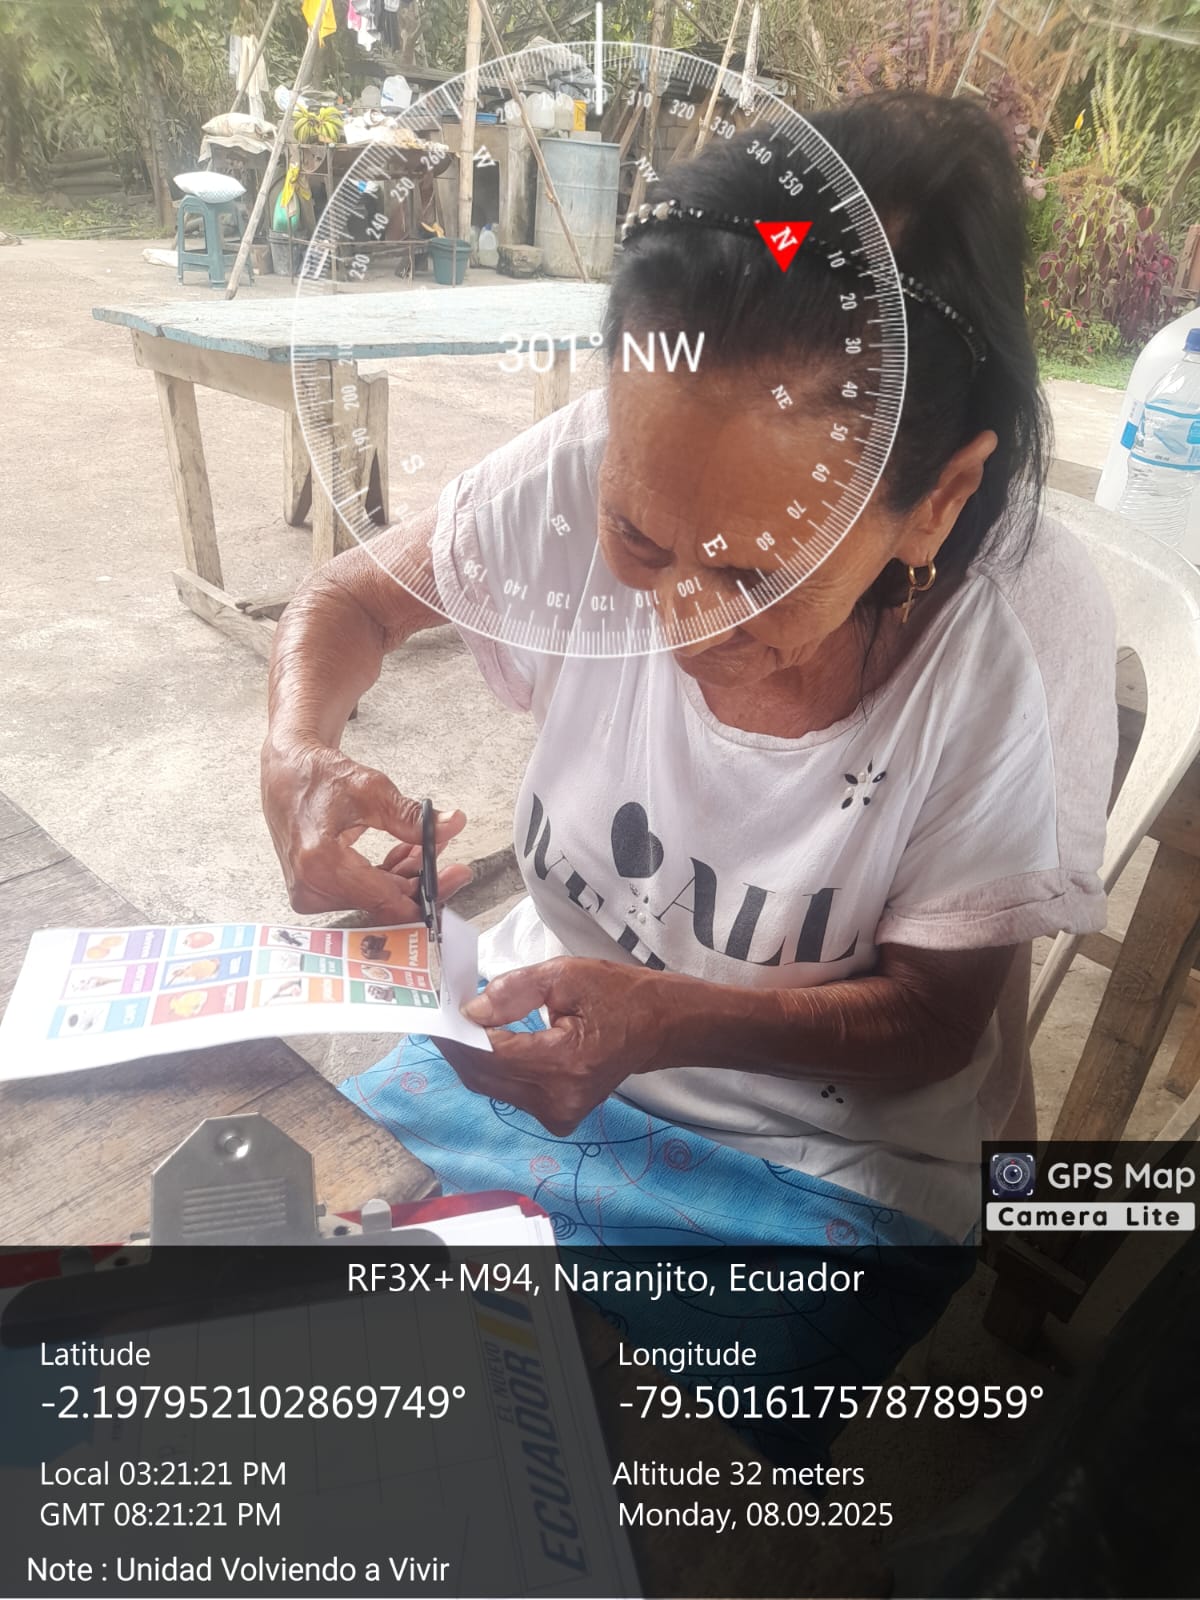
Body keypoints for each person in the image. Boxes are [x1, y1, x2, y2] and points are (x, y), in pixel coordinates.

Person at [261, 91, 1116, 1455]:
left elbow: (937, 1022)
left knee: (570, 1463)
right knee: (265, 1304)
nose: (682, 622)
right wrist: (300, 751)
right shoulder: (589, 465)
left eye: (762, 574)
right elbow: (347, 601)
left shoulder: (1017, 639)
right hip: (527, 1060)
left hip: (817, 1170)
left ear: (940, 501)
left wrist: (665, 1021)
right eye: (641, 542)